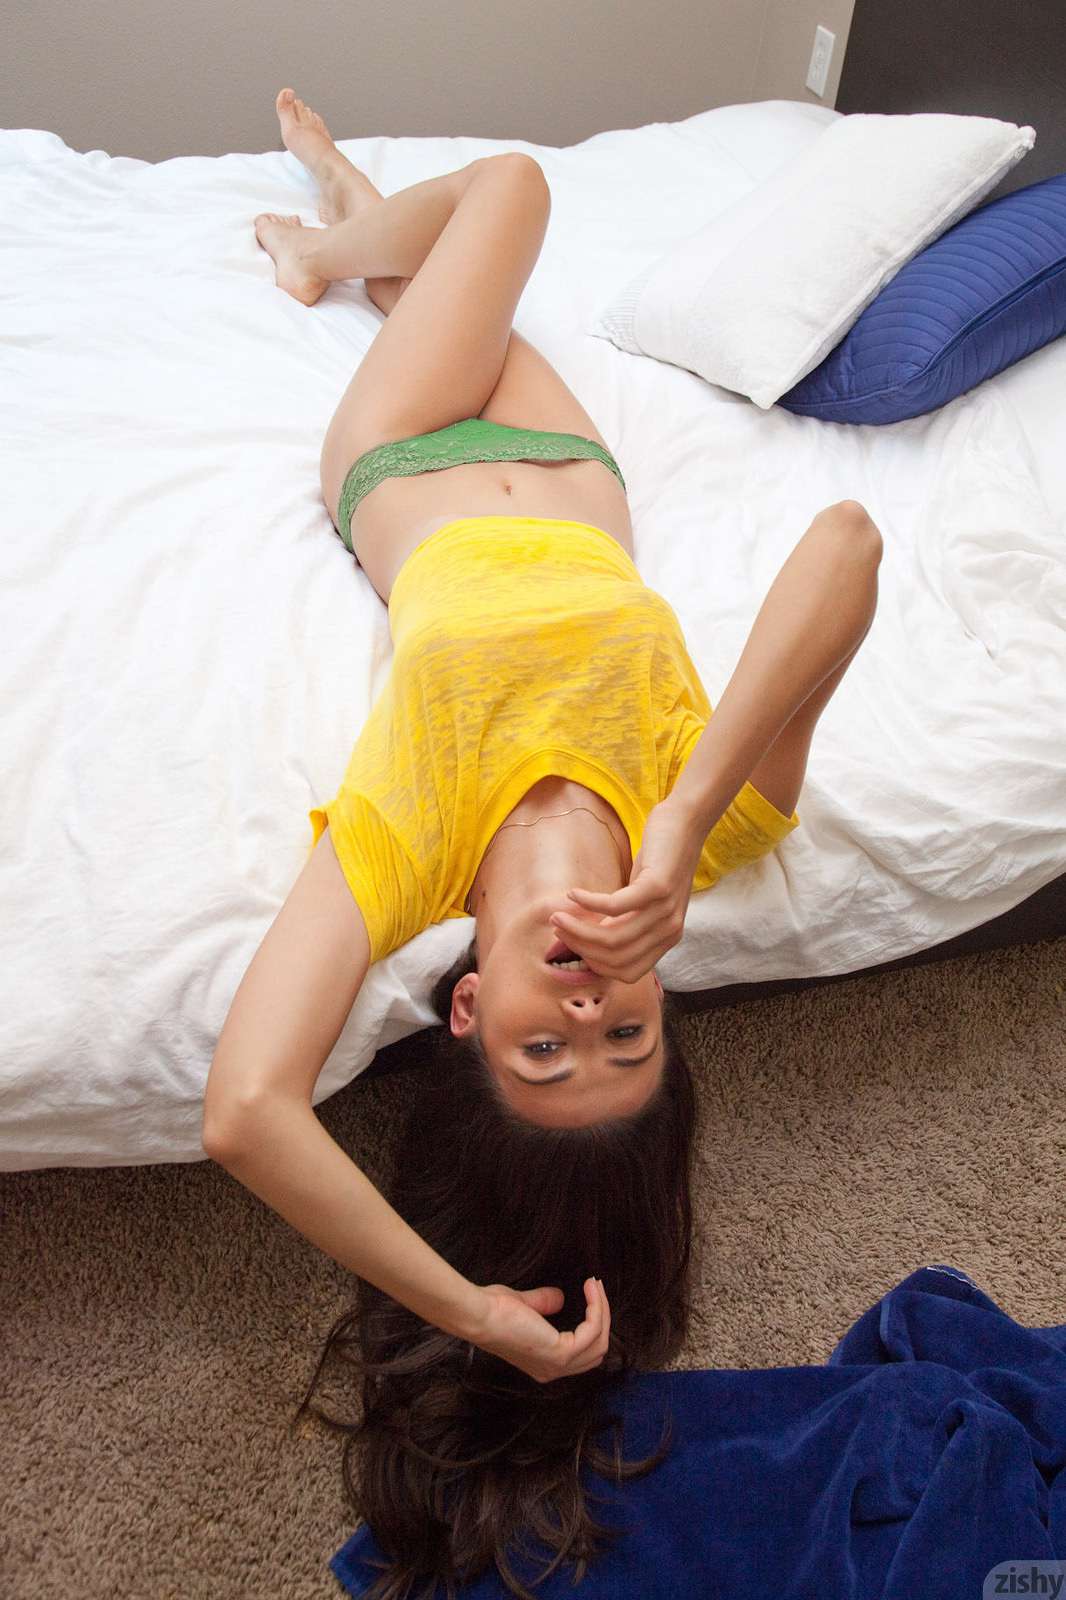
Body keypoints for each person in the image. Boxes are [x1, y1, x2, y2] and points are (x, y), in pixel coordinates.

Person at [204, 90, 883, 1599]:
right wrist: (686, 810)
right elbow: (846, 546)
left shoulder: (406, 843)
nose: (585, 1010)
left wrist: (469, 1312)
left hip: (398, 463)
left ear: (466, 1007)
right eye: (624, 1038)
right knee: (457, 260)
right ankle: (352, 235)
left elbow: (245, 1112)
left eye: (540, 1050)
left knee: (506, 191)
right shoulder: (697, 830)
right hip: (574, 478)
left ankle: (330, 242)